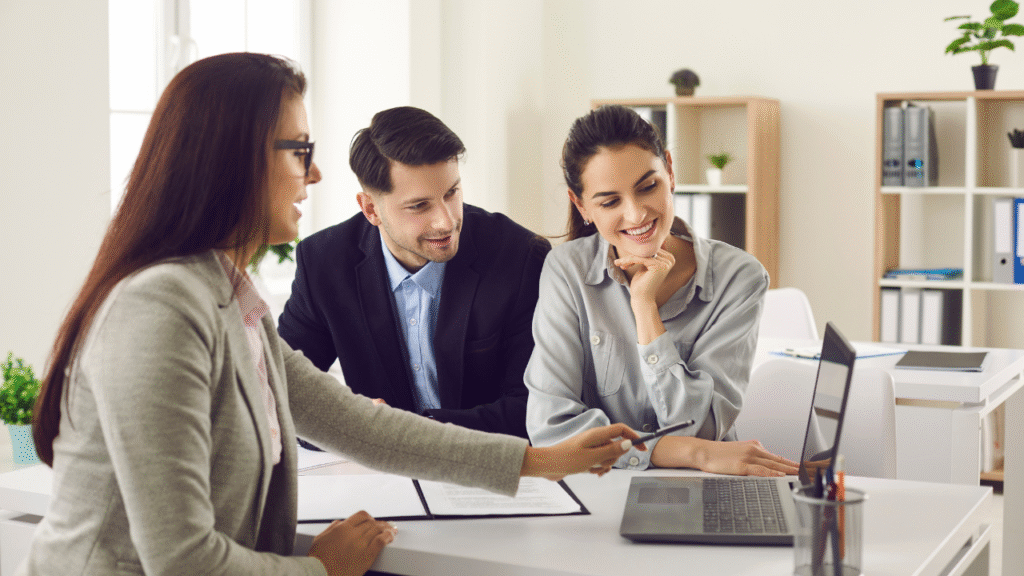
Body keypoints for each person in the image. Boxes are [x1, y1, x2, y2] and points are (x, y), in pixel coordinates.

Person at [21, 54, 639, 576]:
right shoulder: (158, 307)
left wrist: (544, 460)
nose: (312, 174)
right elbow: (183, 561)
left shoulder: (228, 294)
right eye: (298, 151)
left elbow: (357, 424)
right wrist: (318, 568)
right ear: (232, 163)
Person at [524, 104, 798, 476]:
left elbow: (702, 428)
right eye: (609, 201)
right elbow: (551, 431)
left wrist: (644, 308)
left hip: (703, 485)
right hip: (601, 488)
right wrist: (689, 452)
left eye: (648, 186)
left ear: (669, 170)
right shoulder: (566, 271)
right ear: (581, 205)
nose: (636, 215)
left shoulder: (740, 277)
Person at [277, 106, 548, 438]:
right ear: (371, 208)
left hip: (493, 469)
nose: (447, 221)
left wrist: (401, 432)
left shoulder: (519, 255)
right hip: (381, 476)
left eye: (452, 193)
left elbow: (533, 408)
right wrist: (354, 427)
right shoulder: (324, 263)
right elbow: (280, 395)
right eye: (419, 206)